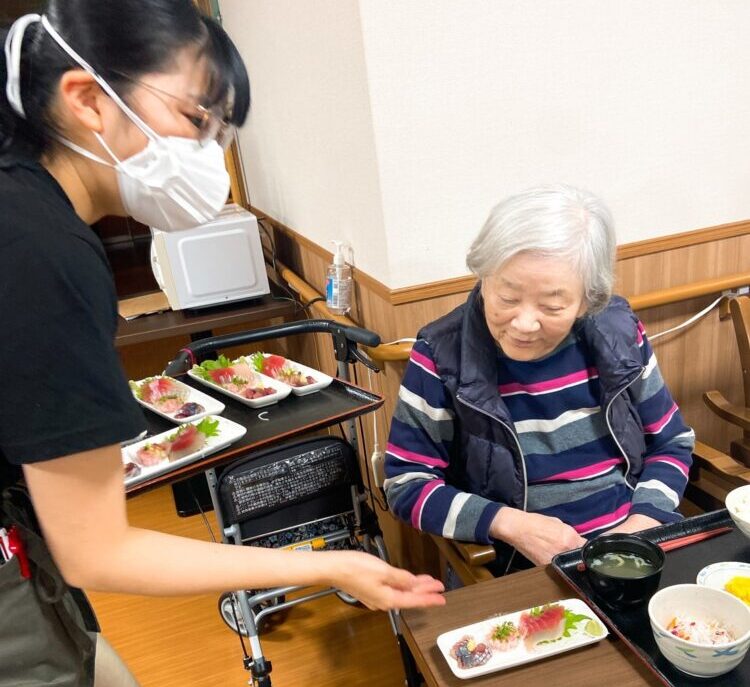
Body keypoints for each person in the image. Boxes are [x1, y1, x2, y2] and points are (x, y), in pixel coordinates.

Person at [0, 3, 444, 686]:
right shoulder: (42, 250)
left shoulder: (24, 208)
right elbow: (97, 550)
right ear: (88, 98)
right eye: (193, 119)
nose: (208, 155)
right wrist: (329, 561)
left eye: (218, 131)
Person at [384, 185, 695, 576]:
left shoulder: (619, 335)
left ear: (587, 299)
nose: (524, 324)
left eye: (552, 306)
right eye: (507, 298)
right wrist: (510, 525)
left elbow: (672, 441)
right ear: (483, 277)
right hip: (518, 565)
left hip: (634, 545)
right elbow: (407, 484)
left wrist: (642, 523)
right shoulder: (442, 354)